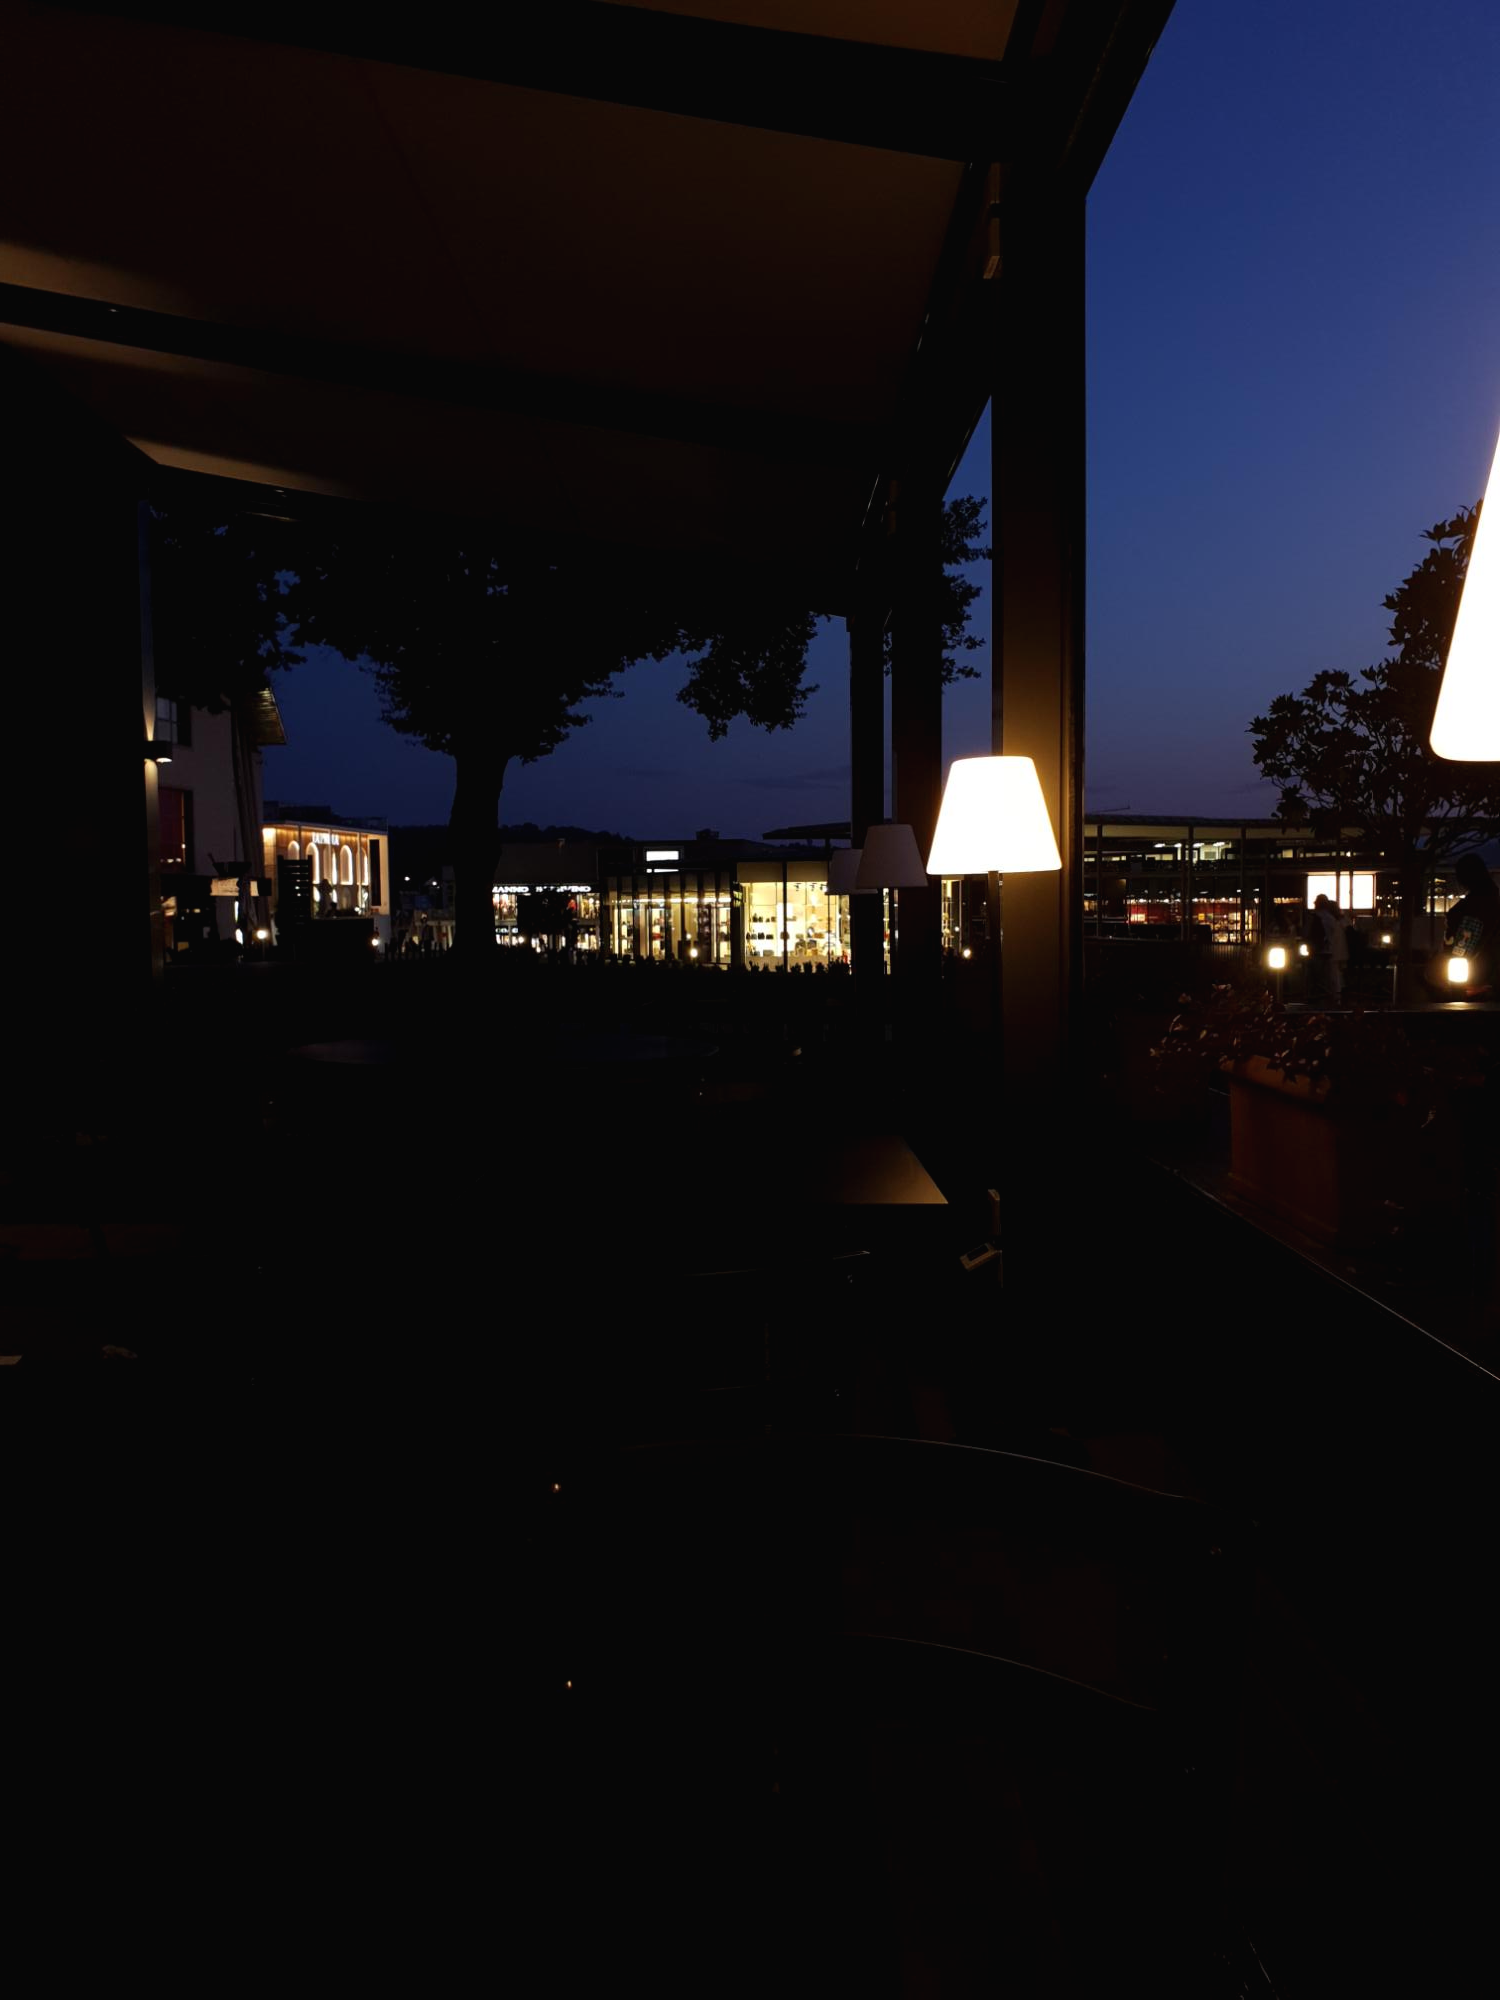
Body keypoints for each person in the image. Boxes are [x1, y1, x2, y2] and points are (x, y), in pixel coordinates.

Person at [1444, 853, 1500, 997]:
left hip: (1471, 970)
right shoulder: (1490, 898)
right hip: (1481, 968)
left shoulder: (1477, 903)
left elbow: (1467, 939)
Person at [1303, 893, 1347, 1004]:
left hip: (1316, 952)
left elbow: (1307, 934)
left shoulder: (1314, 917)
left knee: (1314, 979)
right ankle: (1333, 999)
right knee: (1331, 979)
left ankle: (1314, 1000)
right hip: (1331, 952)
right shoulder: (1332, 919)